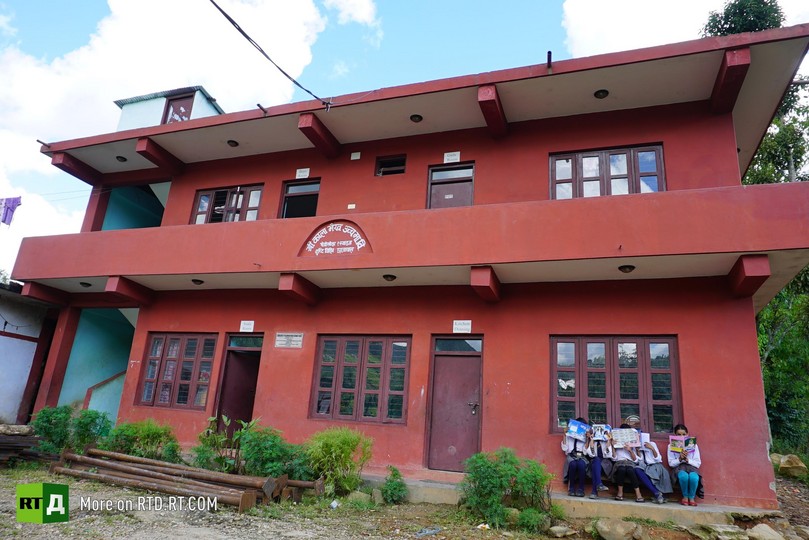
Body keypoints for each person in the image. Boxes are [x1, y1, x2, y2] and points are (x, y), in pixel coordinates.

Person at [632, 430, 672, 504]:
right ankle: (656, 492)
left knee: (659, 472)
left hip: (654, 465)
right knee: (637, 470)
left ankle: (659, 494)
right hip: (644, 466)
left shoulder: (652, 444)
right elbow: (638, 461)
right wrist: (638, 451)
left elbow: (658, 459)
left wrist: (652, 449)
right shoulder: (634, 445)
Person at [668, 423, 702, 506]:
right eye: (679, 434)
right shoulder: (670, 446)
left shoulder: (694, 446)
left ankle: (691, 497)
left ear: (687, 434)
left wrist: (687, 460)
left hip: (691, 467)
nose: (681, 436)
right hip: (679, 468)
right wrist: (680, 459)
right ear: (675, 435)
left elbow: (698, 463)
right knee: (683, 477)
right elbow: (671, 463)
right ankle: (685, 497)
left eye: (684, 434)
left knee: (694, 478)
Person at [610, 424, 644, 502]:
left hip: (630, 463)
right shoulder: (617, 444)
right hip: (619, 463)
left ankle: (638, 494)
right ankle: (620, 493)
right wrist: (613, 446)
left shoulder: (633, 445)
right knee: (621, 469)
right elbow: (614, 458)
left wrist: (630, 450)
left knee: (630, 470)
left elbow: (635, 460)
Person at [561, 417, 588, 497]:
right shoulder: (569, 436)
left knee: (581, 465)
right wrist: (564, 435)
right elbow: (565, 448)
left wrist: (587, 439)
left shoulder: (584, 437)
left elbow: (585, 452)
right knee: (572, 464)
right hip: (571, 456)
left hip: (581, 456)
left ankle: (581, 489)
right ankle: (571, 488)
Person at [584, 426, 612, 499]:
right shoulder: (593, 442)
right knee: (595, 461)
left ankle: (594, 491)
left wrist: (608, 440)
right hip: (595, 462)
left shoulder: (605, 442)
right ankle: (599, 484)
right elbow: (591, 454)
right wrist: (591, 440)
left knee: (595, 465)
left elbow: (608, 454)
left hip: (605, 464)